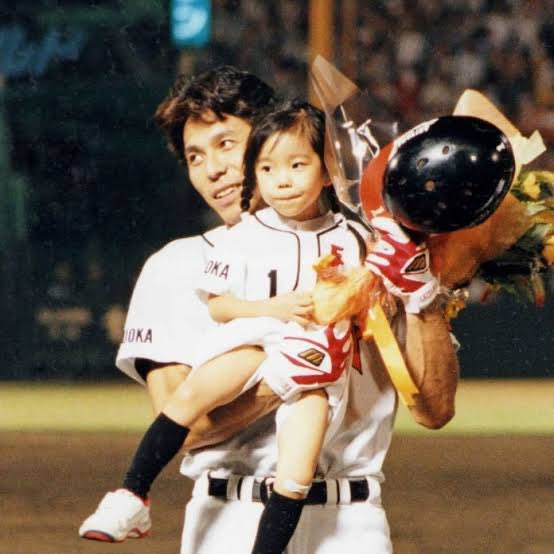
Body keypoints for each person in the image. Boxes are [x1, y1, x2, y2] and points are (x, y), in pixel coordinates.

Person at [79, 66, 459, 553]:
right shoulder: (176, 266)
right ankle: (130, 496)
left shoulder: (371, 250)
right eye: (195, 156)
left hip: (352, 520)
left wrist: (422, 292)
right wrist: (281, 379)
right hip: (228, 517)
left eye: (225, 144)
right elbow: (187, 426)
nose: (210, 168)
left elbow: (435, 409)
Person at [80, 100, 367, 551]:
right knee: (192, 395)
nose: (284, 179)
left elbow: (377, 292)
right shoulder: (244, 235)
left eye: (297, 165)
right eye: (270, 168)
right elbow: (218, 308)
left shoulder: (353, 237)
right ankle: (132, 493)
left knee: (296, 472)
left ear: (327, 171)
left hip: (320, 364)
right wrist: (272, 313)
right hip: (255, 341)